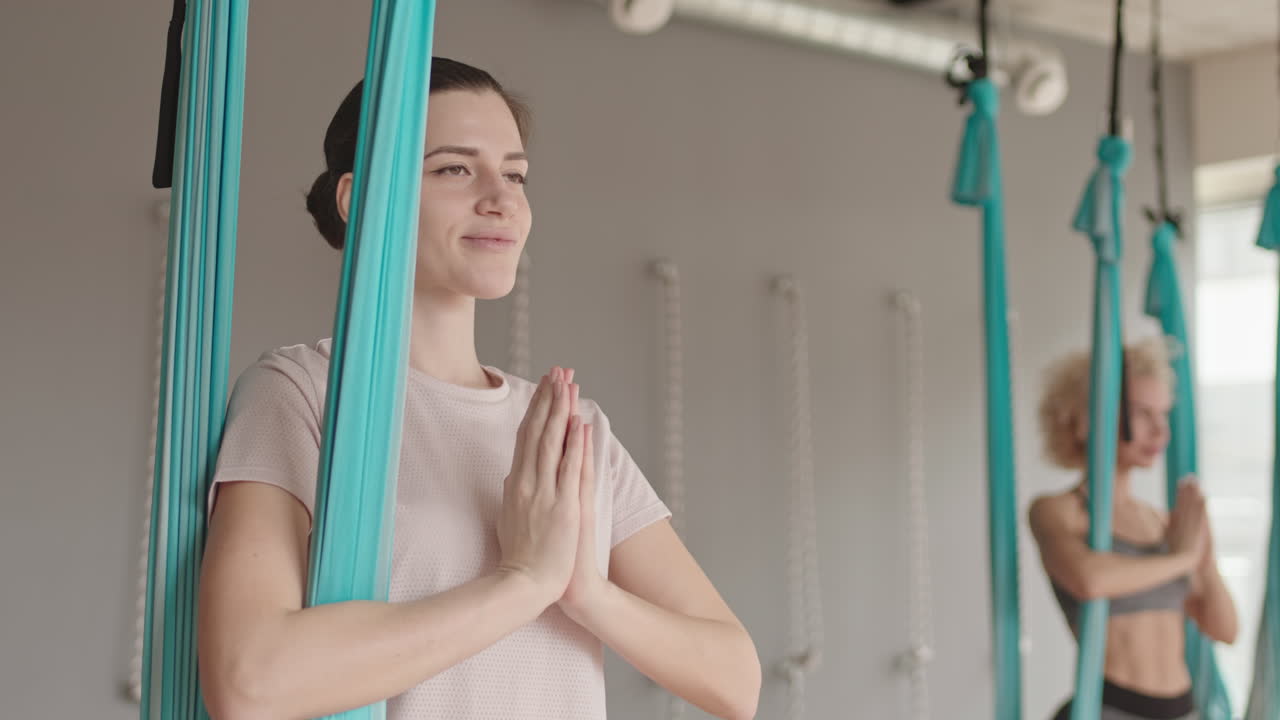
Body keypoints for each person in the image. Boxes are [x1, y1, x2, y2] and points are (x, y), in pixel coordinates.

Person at [197, 57, 761, 720]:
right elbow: (251, 681)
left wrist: (586, 594)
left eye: (515, 174)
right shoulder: (299, 393)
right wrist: (523, 584)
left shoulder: (565, 430)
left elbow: (734, 680)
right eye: (454, 169)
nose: (502, 198)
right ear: (358, 198)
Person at [1029, 337, 1237, 720]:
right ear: (1084, 419)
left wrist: (1204, 556)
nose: (1160, 432)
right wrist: (1184, 556)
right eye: (1142, 414)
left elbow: (1224, 628)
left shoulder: (1161, 521)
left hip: (1184, 710)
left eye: (1163, 415)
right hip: (1111, 708)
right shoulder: (1059, 511)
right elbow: (1089, 579)